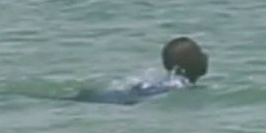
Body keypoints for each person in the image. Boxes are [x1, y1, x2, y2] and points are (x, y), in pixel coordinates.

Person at [78, 36, 209, 103]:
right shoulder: (180, 88)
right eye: (198, 54)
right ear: (182, 66)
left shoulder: (165, 84)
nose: (205, 56)